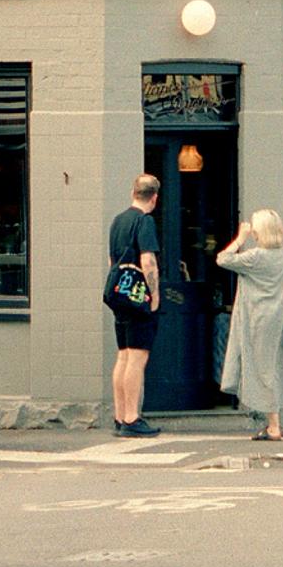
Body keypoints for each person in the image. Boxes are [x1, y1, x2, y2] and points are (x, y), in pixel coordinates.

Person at [216, 209, 283, 440]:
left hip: (260, 320)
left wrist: (240, 238)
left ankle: (273, 426)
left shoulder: (255, 257)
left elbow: (222, 258)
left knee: (264, 370)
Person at [106, 172, 163, 437]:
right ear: (154, 198)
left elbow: (111, 261)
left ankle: (120, 416)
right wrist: (154, 294)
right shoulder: (144, 221)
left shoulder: (118, 221)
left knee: (124, 354)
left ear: (133, 193)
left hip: (119, 294)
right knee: (137, 357)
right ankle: (131, 417)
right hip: (138, 297)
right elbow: (148, 260)